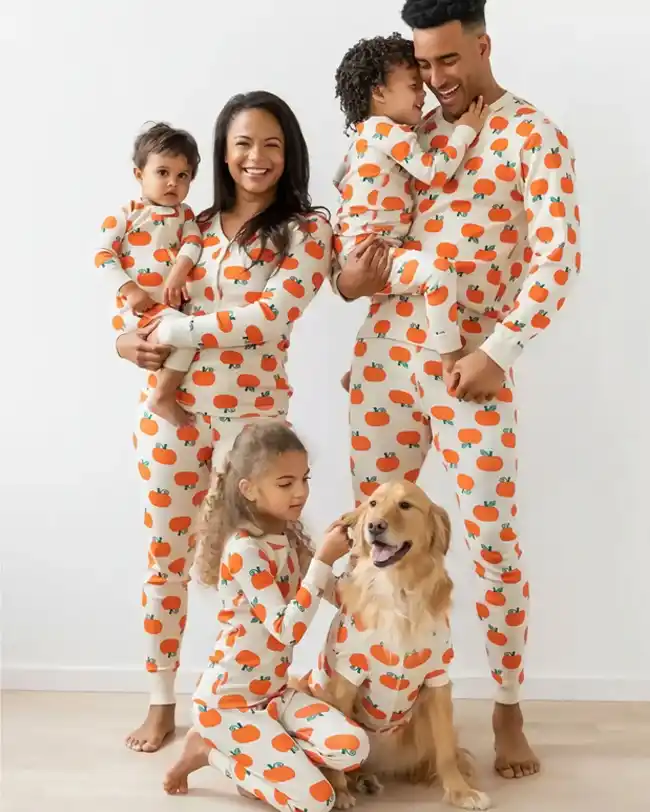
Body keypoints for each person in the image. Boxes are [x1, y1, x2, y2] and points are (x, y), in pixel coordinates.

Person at [335, 0, 580, 780]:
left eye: (449, 62)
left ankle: (507, 710)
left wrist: (500, 351)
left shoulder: (532, 134)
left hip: (471, 368)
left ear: (482, 44)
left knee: (493, 541)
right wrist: (349, 280)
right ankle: (369, 710)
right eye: (423, 65)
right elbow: (354, 251)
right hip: (383, 361)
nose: (436, 79)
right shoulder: (412, 127)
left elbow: (558, 259)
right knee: (368, 545)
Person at [113, 91, 335, 753]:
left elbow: (270, 318)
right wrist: (126, 339)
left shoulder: (309, 229)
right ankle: (162, 702)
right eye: (242, 143)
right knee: (166, 562)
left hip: (255, 429)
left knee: (264, 565)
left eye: (270, 143)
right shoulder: (194, 221)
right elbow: (146, 293)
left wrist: (179, 328)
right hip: (175, 422)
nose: (255, 157)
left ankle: (257, 695)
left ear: (289, 150)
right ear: (222, 151)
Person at [163, 421, 369, 811]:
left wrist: (356, 551)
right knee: (316, 802)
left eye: (304, 479)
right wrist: (322, 559)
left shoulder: (289, 538)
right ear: (249, 489)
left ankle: (268, 753)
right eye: (286, 482)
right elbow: (285, 631)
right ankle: (210, 753)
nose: (301, 492)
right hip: (229, 704)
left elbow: (338, 595)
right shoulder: (245, 549)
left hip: (275, 695)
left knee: (354, 749)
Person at [333, 33, 487, 372]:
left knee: (392, 301)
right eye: (414, 85)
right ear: (379, 92)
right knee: (439, 273)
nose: (423, 93)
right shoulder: (389, 132)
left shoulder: (364, 134)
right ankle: (451, 357)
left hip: (355, 245)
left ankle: (361, 367)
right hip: (373, 249)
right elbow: (434, 171)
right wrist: (465, 130)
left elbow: (339, 177)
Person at [96, 123, 203, 427]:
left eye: (183, 176)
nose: (173, 183)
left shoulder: (186, 216)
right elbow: (102, 255)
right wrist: (131, 290)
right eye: (162, 172)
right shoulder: (127, 214)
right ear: (139, 174)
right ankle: (162, 397)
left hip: (165, 311)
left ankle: (165, 393)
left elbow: (193, 242)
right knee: (186, 332)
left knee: (185, 334)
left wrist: (179, 272)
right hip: (134, 309)